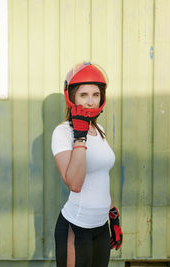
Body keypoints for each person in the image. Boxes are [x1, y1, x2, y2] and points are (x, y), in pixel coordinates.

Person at [51, 62, 123, 267]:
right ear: (71, 96)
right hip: (76, 227)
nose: (90, 102)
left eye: (96, 94)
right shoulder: (63, 132)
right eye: (83, 95)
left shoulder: (99, 129)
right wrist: (79, 138)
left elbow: (101, 177)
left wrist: (113, 215)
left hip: (101, 225)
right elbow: (74, 183)